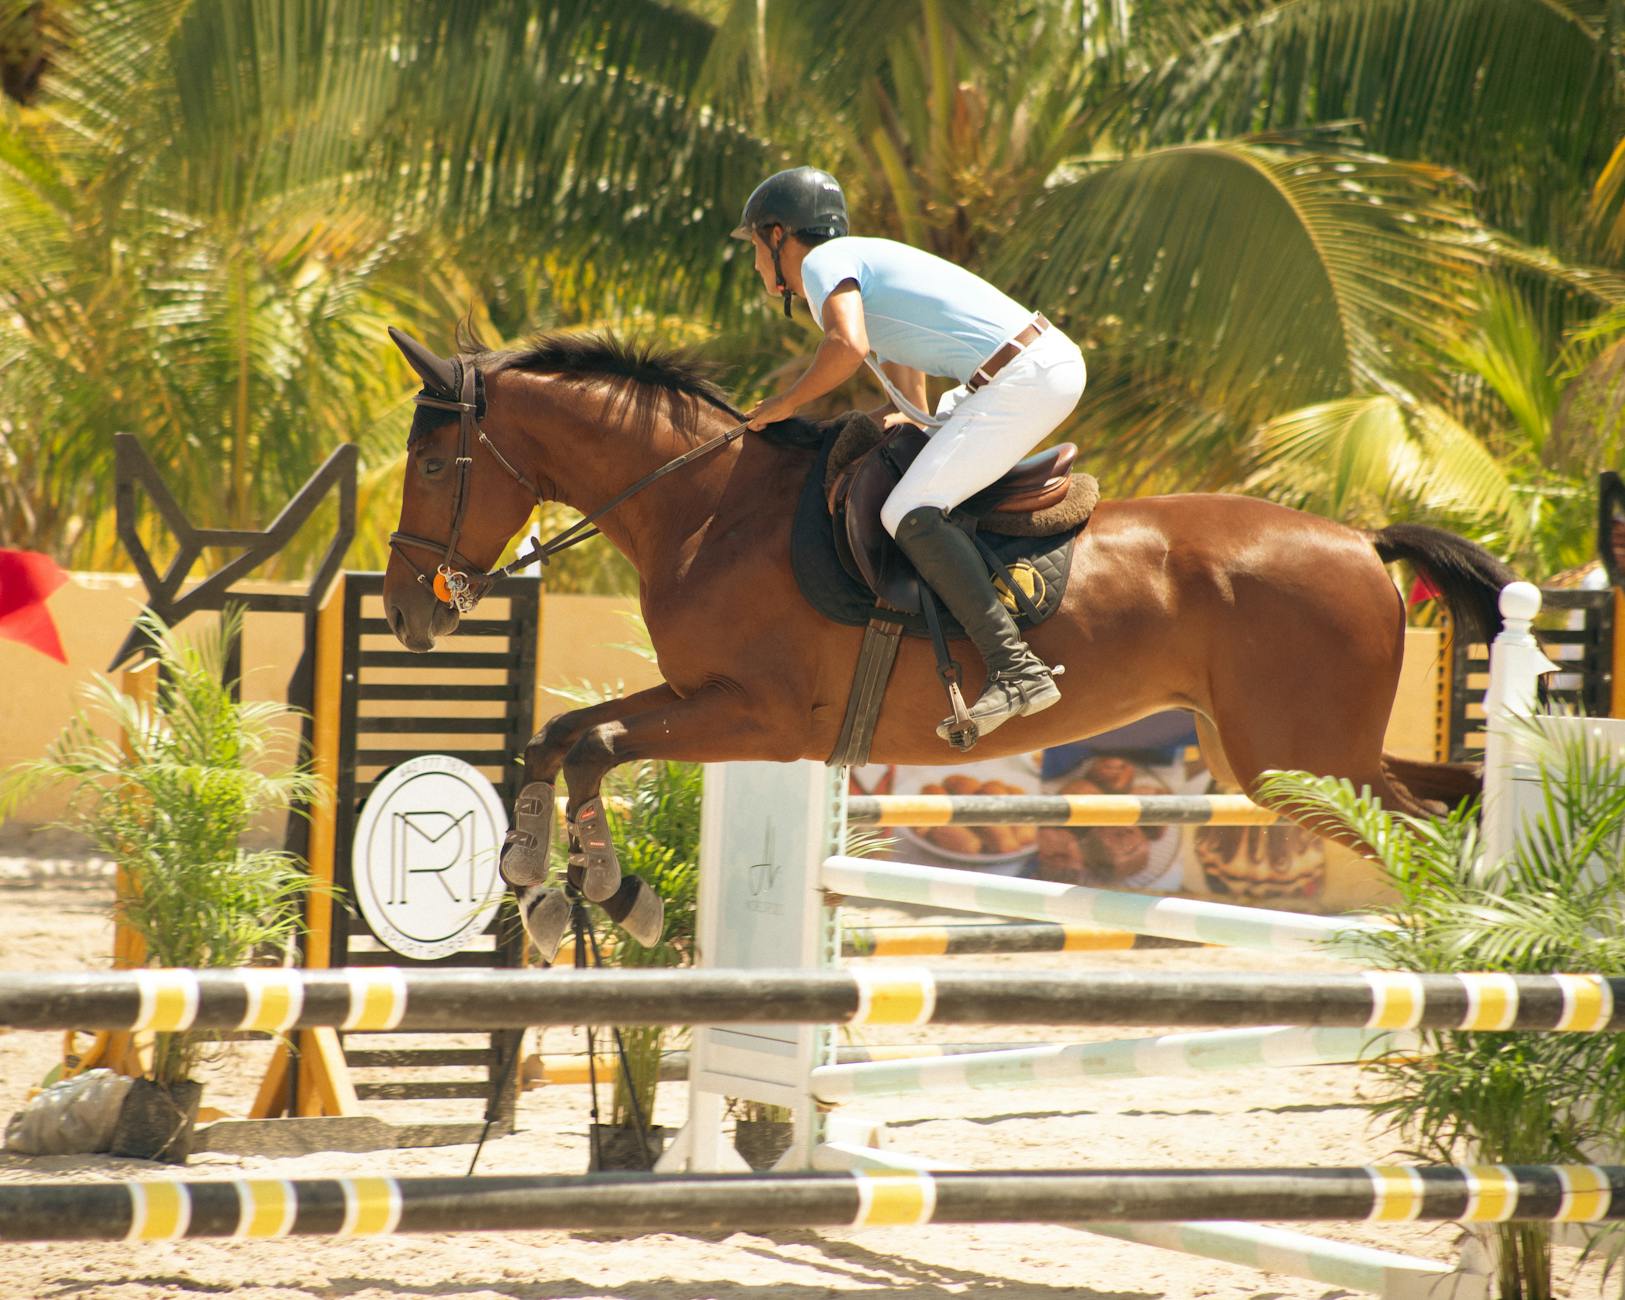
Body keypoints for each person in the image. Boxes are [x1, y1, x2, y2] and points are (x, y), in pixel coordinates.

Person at [733, 166, 1087, 741]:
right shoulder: (858, 260)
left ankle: (1017, 669)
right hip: (1015, 373)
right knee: (914, 485)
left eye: (754, 247)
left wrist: (784, 403)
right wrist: (917, 411)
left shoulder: (825, 263)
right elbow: (898, 343)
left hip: (1024, 376)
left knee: (906, 512)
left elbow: (848, 345)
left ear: (779, 236)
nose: (755, 265)